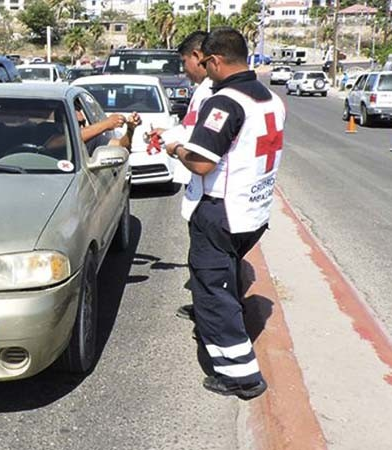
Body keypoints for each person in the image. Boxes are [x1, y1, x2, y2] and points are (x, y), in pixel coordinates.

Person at [164, 28, 285, 399]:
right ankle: (234, 352)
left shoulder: (225, 102)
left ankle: (241, 375)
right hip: (254, 212)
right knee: (224, 281)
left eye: (205, 63)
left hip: (222, 212)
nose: (203, 69)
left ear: (215, 61)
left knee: (213, 293)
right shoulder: (269, 98)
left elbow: (200, 163)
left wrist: (175, 150)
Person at [149, 31, 214, 321]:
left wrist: (173, 147)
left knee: (207, 260)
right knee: (202, 258)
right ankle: (205, 308)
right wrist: (168, 134)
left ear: (198, 57)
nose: (184, 70)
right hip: (198, 186)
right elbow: (190, 128)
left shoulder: (211, 92)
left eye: (184, 61)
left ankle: (210, 318)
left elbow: (199, 142)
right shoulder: (204, 90)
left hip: (205, 188)